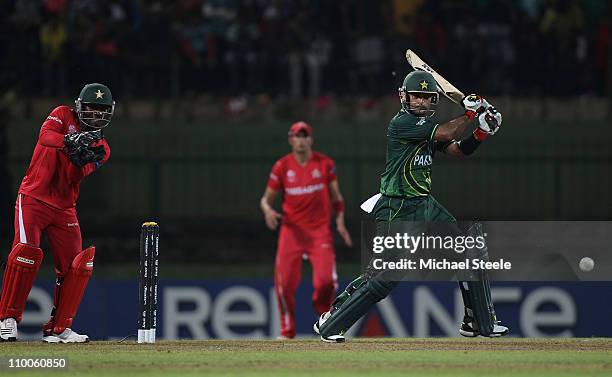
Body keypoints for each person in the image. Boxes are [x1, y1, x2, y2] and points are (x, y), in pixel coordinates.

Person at [313, 70, 509, 342]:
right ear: (404, 97)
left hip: (424, 204)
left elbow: (457, 150)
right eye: (417, 96)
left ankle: (477, 322)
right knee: (384, 276)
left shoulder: (426, 129)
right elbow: (449, 131)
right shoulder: (403, 123)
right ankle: (331, 323)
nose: (421, 102)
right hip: (398, 207)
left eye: (428, 98)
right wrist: (471, 113)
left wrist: (481, 132)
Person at [0, 83, 114, 343]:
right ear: (79, 107)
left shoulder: (102, 147)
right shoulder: (62, 114)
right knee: (25, 253)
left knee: (76, 266)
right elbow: (45, 137)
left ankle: (59, 328)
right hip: (33, 198)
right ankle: (6, 320)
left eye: (101, 111)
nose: (95, 115)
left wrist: (79, 157)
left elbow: (76, 176)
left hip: (64, 208)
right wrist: (70, 140)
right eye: (91, 109)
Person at [260, 121, 352, 339]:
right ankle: (287, 331)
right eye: (296, 136)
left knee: (325, 282)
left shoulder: (325, 164)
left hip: (319, 232)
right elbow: (266, 200)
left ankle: (325, 319)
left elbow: (337, 198)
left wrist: (339, 222)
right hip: (291, 233)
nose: (300, 140)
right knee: (284, 285)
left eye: (304, 136)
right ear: (290, 140)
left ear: (310, 140)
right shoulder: (282, 166)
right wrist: (267, 212)